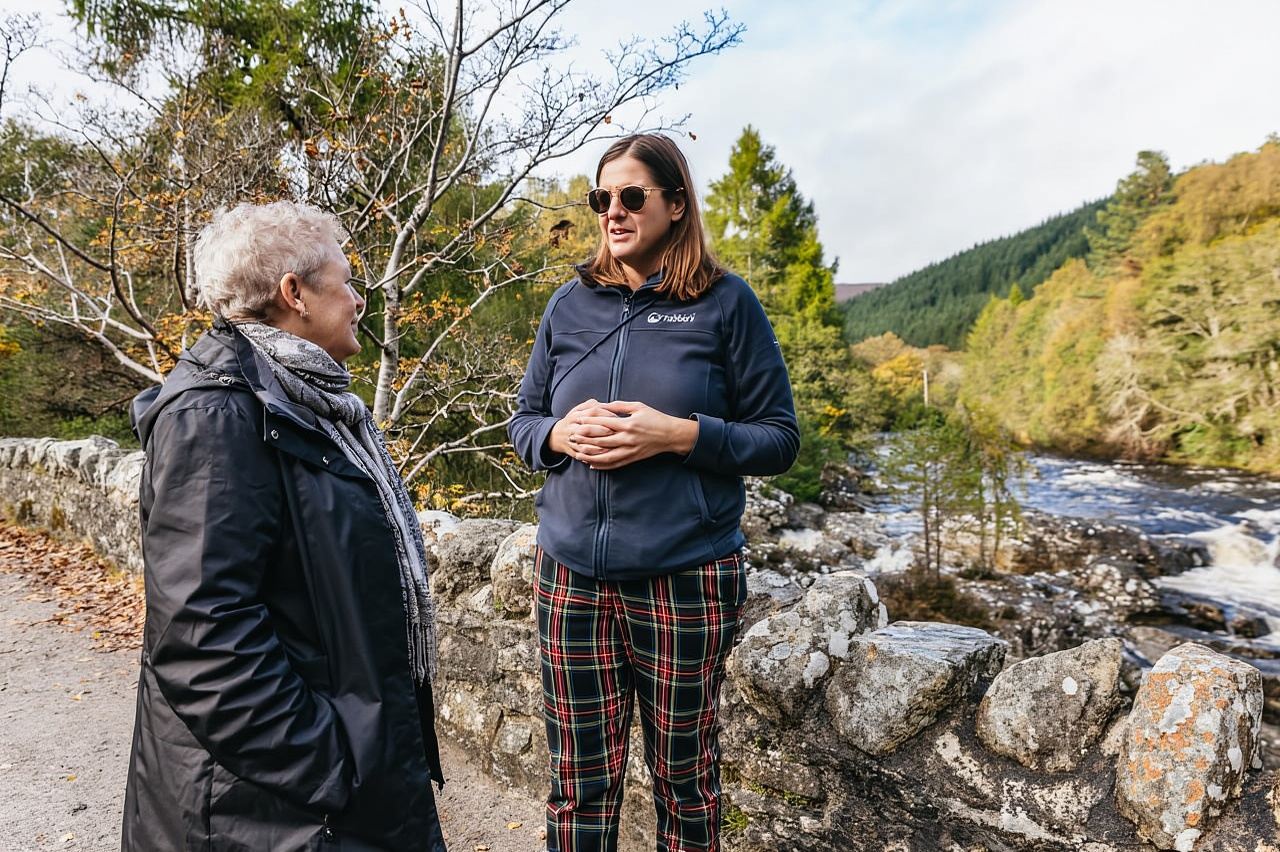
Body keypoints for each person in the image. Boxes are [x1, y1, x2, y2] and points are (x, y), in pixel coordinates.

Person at [121, 200, 448, 851]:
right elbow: (203, 635)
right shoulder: (217, 415)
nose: (358, 299)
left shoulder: (304, 401)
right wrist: (334, 764)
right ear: (293, 293)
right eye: (346, 281)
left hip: (316, 792)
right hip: (268, 810)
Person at [509, 134, 799, 852]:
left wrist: (679, 435)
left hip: (685, 577)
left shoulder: (727, 304)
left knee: (684, 782)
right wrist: (556, 437)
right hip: (570, 576)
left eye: (631, 196)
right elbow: (521, 423)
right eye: (601, 197)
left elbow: (779, 439)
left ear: (675, 204)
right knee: (578, 784)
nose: (613, 210)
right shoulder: (567, 305)